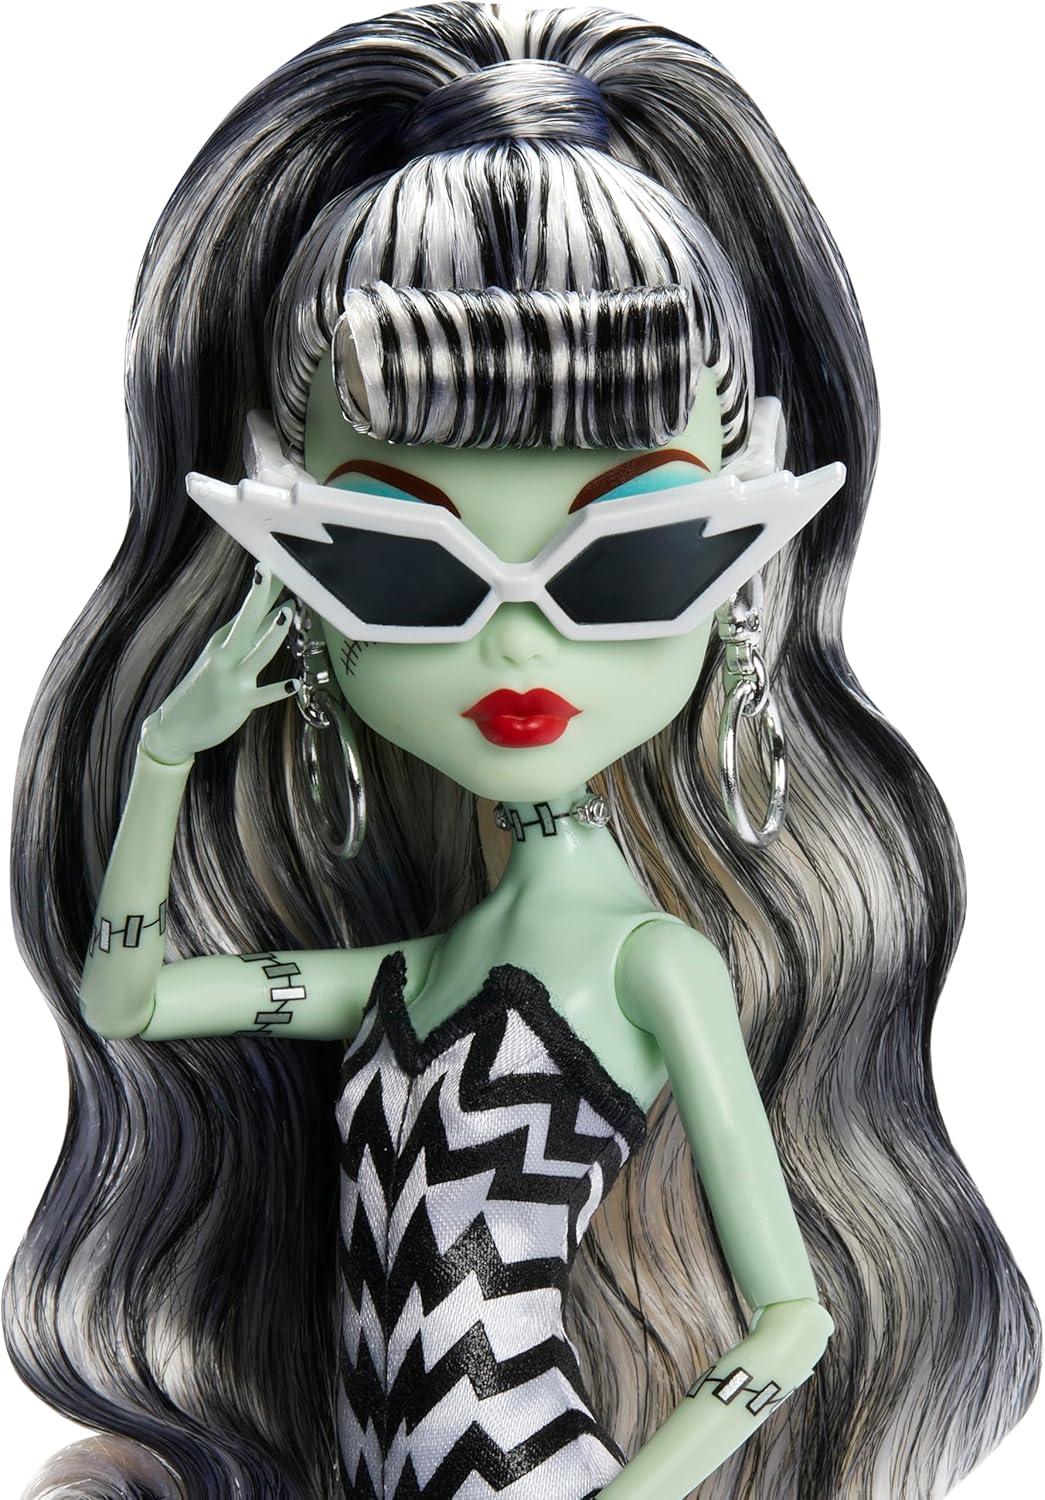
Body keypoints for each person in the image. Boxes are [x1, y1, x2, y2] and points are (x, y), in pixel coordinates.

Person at [5, 5, 1039, 1498]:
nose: (515, 646)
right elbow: (131, 998)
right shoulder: (402, 977)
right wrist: (170, 751)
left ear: (746, 581)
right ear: (294, 587)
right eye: (397, 566)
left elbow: (796, 1320)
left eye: (630, 561)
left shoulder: (654, 966)